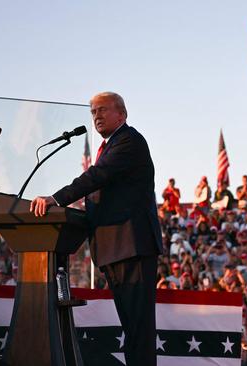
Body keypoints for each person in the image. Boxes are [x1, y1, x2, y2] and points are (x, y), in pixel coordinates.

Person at [30, 91, 162, 366]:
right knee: (132, 328)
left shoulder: (128, 141)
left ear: (122, 114)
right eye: (93, 112)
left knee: (138, 329)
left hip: (131, 247)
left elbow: (97, 176)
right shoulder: (112, 145)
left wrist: (56, 199)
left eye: (103, 110)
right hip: (116, 248)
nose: (97, 116)